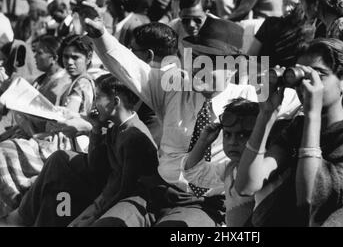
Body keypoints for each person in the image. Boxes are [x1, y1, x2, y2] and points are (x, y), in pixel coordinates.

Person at [80, 17, 258, 227]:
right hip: (154, 194)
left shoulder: (249, 100)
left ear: (233, 69)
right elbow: (131, 69)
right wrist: (101, 36)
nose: (199, 68)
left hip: (206, 204)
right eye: (197, 58)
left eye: (211, 62)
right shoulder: (174, 88)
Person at [235, 38, 343, 227]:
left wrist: (312, 114)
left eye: (319, 75)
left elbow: (310, 200)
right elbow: (246, 186)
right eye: (302, 76)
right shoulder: (298, 128)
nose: (307, 84)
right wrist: (266, 114)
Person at [3, 74, 159, 227]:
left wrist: (92, 214)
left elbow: (122, 188)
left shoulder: (133, 137)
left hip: (126, 196)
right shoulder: (114, 124)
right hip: (107, 182)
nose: (93, 105)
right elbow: (96, 165)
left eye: (97, 98)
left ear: (115, 102)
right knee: (59, 160)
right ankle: (22, 218)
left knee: (60, 185)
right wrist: (96, 129)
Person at [0, 35, 95, 217]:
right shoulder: (72, 80)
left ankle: (17, 203)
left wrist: (44, 113)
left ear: (88, 58)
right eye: (66, 57)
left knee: (6, 151)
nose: (69, 62)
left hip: (63, 141)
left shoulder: (81, 83)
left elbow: (69, 115)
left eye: (75, 58)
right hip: (54, 134)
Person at [183, 98, 259, 227]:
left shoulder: (264, 172)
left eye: (242, 135)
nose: (232, 142)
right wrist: (203, 142)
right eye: (227, 135)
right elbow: (195, 174)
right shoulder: (230, 168)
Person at [247, 0, 315, 68]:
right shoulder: (270, 23)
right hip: (261, 73)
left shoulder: (307, 31)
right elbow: (251, 55)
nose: (286, 8)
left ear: (303, 4)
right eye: (284, 3)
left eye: (292, 4)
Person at [169, 0, 244, 51]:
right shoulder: (173, 28)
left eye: (197, 19)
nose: (191, 25)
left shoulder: (223, 31)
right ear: (180, 15)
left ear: (207, 14)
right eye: (185, 20)